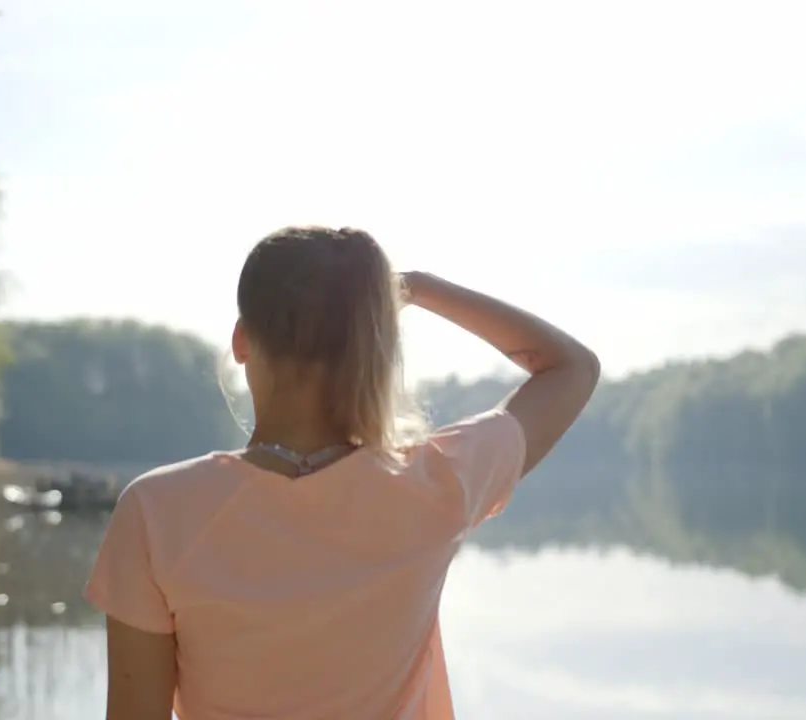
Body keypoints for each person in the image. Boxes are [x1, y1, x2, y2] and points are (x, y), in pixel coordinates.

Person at [84, 226, 601, 719]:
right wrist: (418, 288)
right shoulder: (436, 483)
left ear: (242, 341)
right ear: (373, 350)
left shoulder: (157, 510)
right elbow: (571, 366)